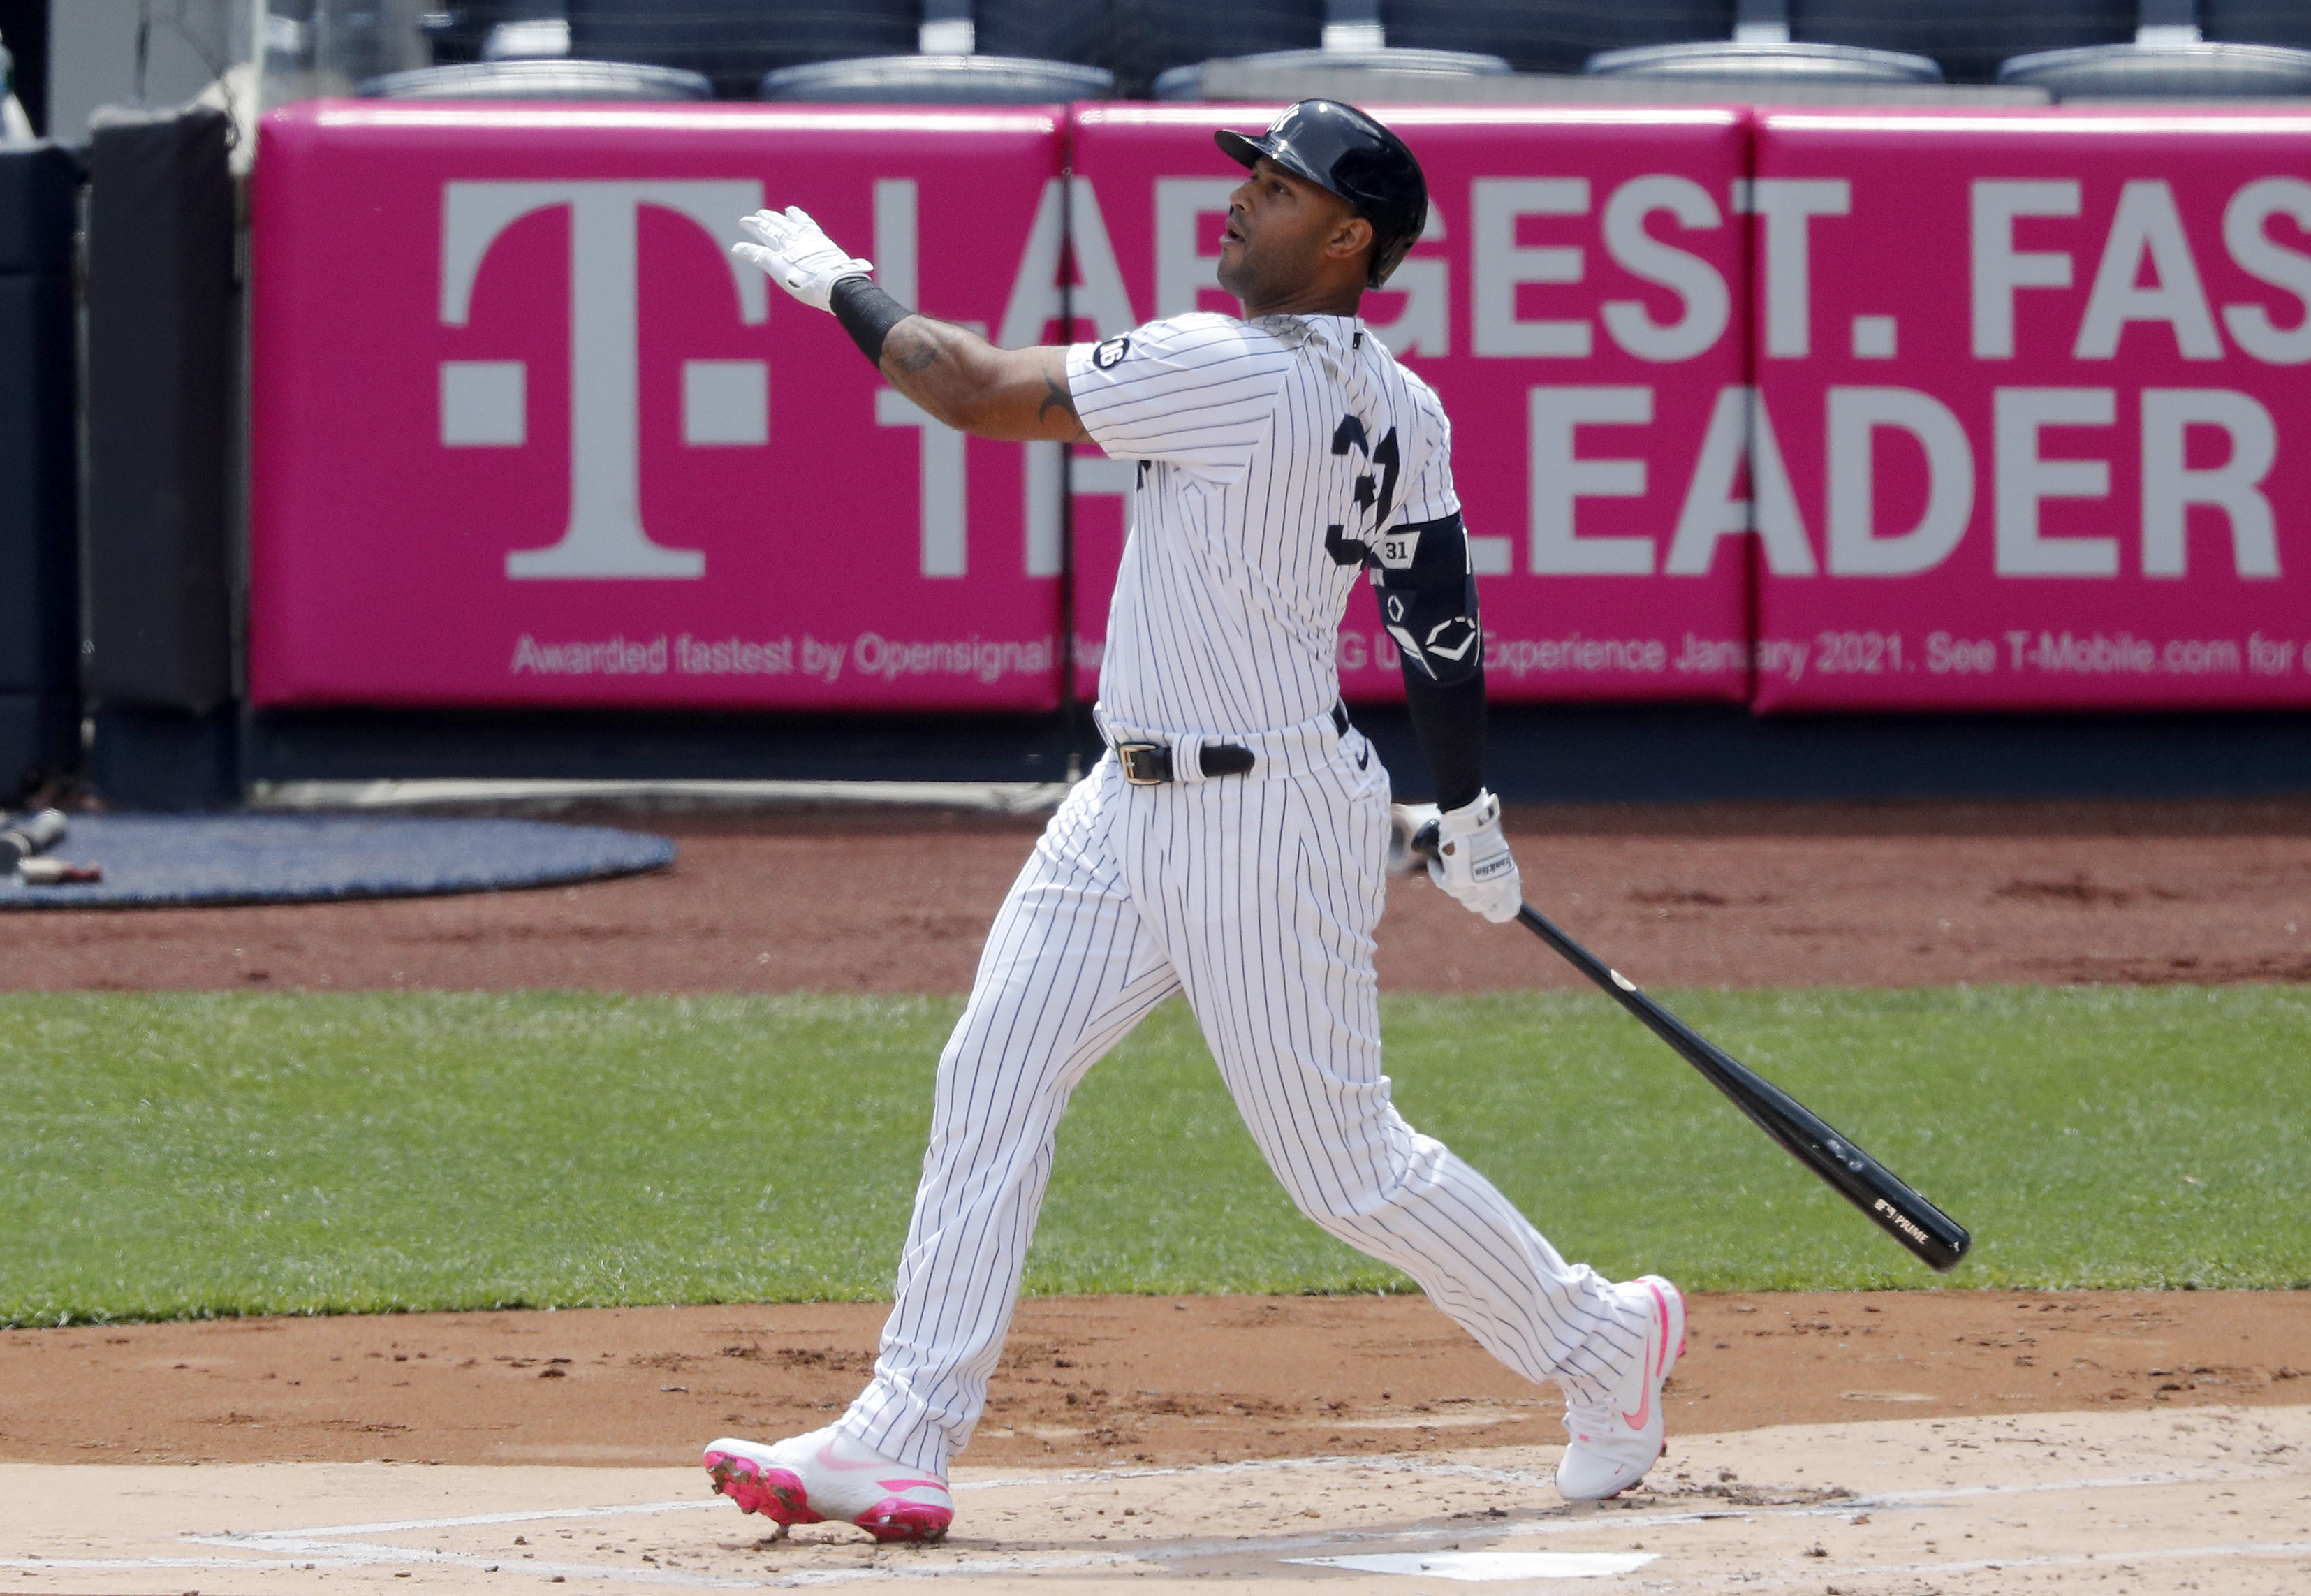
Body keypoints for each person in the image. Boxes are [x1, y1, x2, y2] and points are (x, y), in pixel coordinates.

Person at [706, 99, 1682, 1544]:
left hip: (1264, 814)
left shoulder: (1224, 367)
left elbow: (965, 386)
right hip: (1127, 801)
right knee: (992, 1078)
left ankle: (1601, 1341)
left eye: (1277, 190)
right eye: (1252, 178)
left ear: (1349, 238)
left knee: (1340, 1168)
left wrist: (843, 281)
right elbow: (1439, 626)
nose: (1240, 203)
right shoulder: (1401, 403)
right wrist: (1459, 805)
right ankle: (898, 1438)